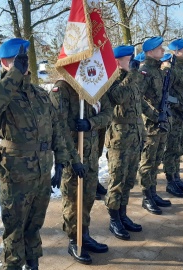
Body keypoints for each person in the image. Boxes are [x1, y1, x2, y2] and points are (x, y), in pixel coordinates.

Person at [0, 38, 70, 270]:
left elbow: (55, 127)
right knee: (14, 228)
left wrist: (61, 160)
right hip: (16, 173)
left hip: (41, 171)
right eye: (15, 60)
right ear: (3, 62)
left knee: (34, 224)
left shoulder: (39, 93)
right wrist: (14, 75)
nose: (22, 64)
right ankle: (13, 266)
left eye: (24, 60)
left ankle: (33, 263)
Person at [49, 79, 112, 264]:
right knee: (73, 199)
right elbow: (58, 127)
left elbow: (108, 113)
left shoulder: (95, 86)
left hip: (91, 154)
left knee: (88, 197)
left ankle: (84, 234)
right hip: (73, 154)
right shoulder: (62, 89)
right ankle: (74, 240)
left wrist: (91, 123)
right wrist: (73, 159)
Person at [105, 45, 156, 240]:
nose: (133, 61)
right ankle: (113, 219)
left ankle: (123, 215)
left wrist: (155, 117)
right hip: (119, 139)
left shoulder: (131, 79)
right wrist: (133, 73)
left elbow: (139, 104)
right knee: (117, 181)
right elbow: (118, 97)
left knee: (128, 180)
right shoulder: (112, 79)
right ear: (118, 61)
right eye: (129, 58)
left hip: (135, 136)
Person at [136, 36, 172, 216]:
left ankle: (153, 192)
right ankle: (146, 197)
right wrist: (154, 115)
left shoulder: (159, 71)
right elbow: (138, 98)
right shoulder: (145, 72)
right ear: (150, 52)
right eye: (159, 49)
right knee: (147, 162)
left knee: (157, 159)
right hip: (150, 125)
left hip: (161, 122)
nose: (163, 51)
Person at [163, 38, 183, 198]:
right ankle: (170, 181)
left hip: (182, 116)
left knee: (178, 150)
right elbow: (166, 95)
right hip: (174, 116)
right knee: (171, 150)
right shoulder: (171, 70)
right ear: (176, 52)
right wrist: (180, 106)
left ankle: (176, 178)